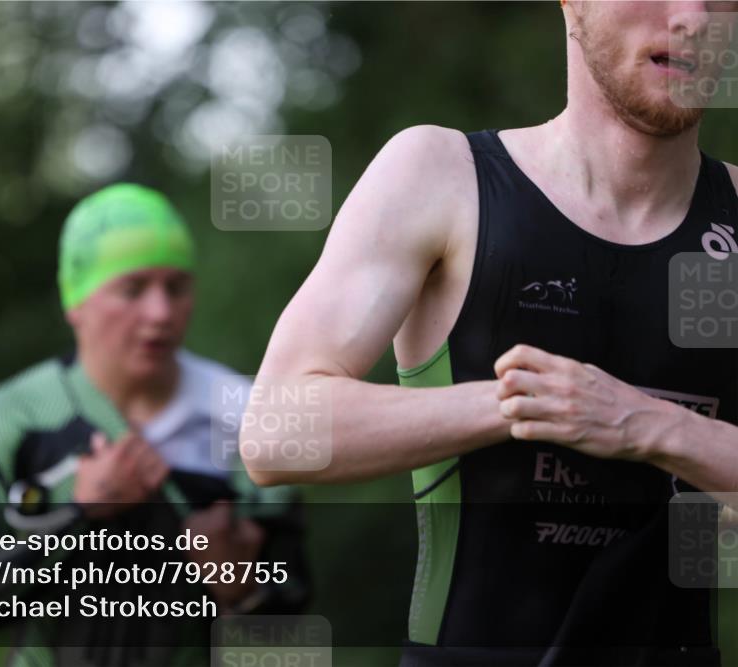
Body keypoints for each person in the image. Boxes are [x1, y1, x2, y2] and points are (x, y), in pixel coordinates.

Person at [239, 2, 738, 666]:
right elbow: (274, 430)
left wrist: (653, 425)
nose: (692, 17)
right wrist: (525, 403)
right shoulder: (444, 176)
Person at [0, 183, 309, 667]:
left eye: (176, 287)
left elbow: (294, 606)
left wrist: (242, 587)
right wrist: (77, 515)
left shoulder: (248, 413)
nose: (160, 313)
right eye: (132, 289)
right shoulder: (10, 416)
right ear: (77, 302)